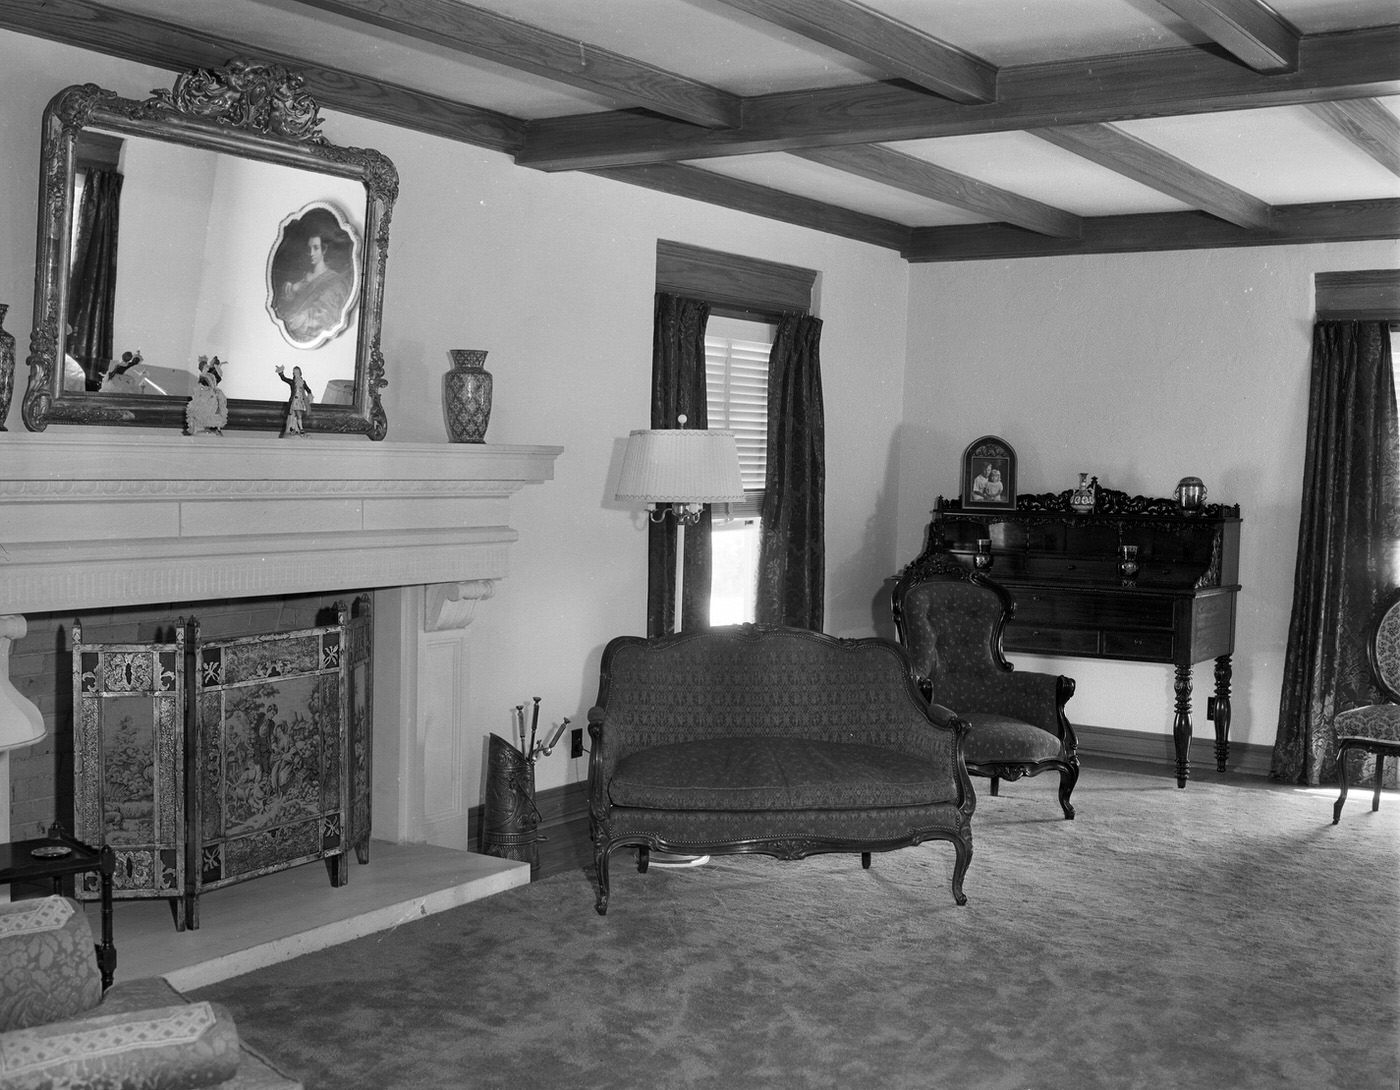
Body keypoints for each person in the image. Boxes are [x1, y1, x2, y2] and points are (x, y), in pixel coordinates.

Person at [275, 232, 351, 342]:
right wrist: (292, 291)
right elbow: (280, 307)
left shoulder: (334, 281)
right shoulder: (301, 276)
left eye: (316, 248)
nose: (311, 253)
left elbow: (324, 316)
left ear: (324, 250)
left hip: (313, 339)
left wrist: (291, 320)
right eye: (308, 249)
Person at [275, 363, 311, 436]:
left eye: (297, 372)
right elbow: (284, 378)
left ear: (300, 373)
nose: (296, 374)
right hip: (294, 401)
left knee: (295, 416)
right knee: (297, 415)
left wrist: (310, 396)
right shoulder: (292, 382)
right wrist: (280, 372)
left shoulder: (303, 382)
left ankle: (293, 429)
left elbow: (308, 389)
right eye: (295, 372)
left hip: (301, 401)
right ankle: (301, 429)